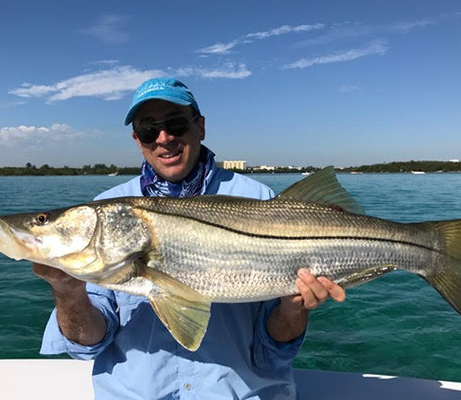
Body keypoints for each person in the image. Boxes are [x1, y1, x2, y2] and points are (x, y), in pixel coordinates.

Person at [33, 77, 346, 400]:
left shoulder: (260, 199)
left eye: (176, 124)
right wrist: (68, 293)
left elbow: (274, 352)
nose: (164, 138)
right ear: (137, 139)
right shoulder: (106, 212)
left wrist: (293, 309)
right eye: (148, 130)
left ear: (200, 127)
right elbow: (89, 345)